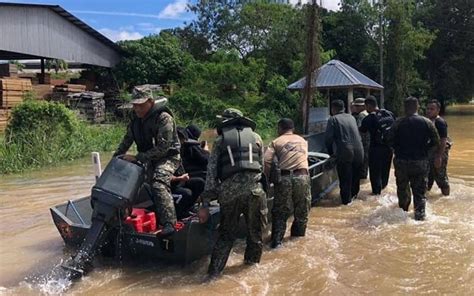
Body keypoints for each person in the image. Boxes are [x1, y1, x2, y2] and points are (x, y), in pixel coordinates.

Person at [199, 108, 267, 279]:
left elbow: (211, 173)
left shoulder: (220, 141)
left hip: (229, 194)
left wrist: (206, 203)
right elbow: (262, 167)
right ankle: (251, 271)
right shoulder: (257, 137)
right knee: (255, 234)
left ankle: (213, 276)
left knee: (226, 236)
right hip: (255, 191)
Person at [113, 86, 180, 236]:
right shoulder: (136, 120)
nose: (137, 109)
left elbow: (163, 148)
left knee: (158, 183)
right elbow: (127, 141)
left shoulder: (163, 118)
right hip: (148, 158)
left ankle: (170, 223)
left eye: (140, 105)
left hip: (168, 157)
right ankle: (119, 218)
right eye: (135, 105)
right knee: (130, 183)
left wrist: (137, 158)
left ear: (150, 102)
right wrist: (115, 161)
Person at [263, 118, 311, 249]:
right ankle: (298, 240)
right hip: (302, 177)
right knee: (302, 209)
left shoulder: (276, 142)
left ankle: (277, 243)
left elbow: (266, 161)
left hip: (284, 178)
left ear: (280, 128)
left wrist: (266, 180)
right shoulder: (303, 141)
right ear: (293, 129)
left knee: (280, 211)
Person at [391, 97, 440, 220]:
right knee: (419, 192)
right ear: (417, 107)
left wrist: (398, 148)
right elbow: (436, 141)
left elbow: (388, 140)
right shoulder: (427, 122)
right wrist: (425, 150)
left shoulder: (398, 122)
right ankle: (419, 217)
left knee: (402, 190)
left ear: (405, 107)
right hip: (420, 161)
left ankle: (403, 214)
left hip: (401, 161)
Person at [325, 100, 364, 205]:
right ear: (344, 108)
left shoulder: (333, 119)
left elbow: (328, 139)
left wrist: (331, 153)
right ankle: (354, 200)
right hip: (359, 151)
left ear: (333, 109)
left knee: (345, 180)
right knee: (355, 179)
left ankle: (346, 204)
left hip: (345, 152)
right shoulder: (351, 118)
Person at [360, 95, 396, 195]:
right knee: (385, 172)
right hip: (389, 149)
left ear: (368, 105)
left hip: (375, 150)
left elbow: (362, 131)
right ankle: (384, 192)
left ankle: (376, 195)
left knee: (375, 174)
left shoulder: (368, 119)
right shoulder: (389, 114)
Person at [171, 126, 209, 219]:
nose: (180, 142)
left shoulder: (184, 147)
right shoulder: (167, 151)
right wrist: (206, 151)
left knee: (199, 183)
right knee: (186, 192)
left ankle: (186, 208)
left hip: (180, 180)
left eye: (181, 139)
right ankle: (178, 214)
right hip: (168, 184)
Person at [426, 100, 451, 196]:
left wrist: (439, 157)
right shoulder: (428, 121)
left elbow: (443, 140)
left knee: (441, 179)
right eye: (428, 109)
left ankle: (446, 199)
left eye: (432, 109)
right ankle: (427, 201)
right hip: (429, 154)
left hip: (438, 153)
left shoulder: (440, 122)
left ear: (438, 110)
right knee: (428, 178)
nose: (429, 111)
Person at [351, 98, 370, 179]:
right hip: (368, 140)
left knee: (363, 160)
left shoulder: (361, 115)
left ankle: (362, 176)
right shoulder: (367, 113)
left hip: (363, 141)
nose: (355, 108)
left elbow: (359, 129)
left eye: (356, 106)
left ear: (361, 106)